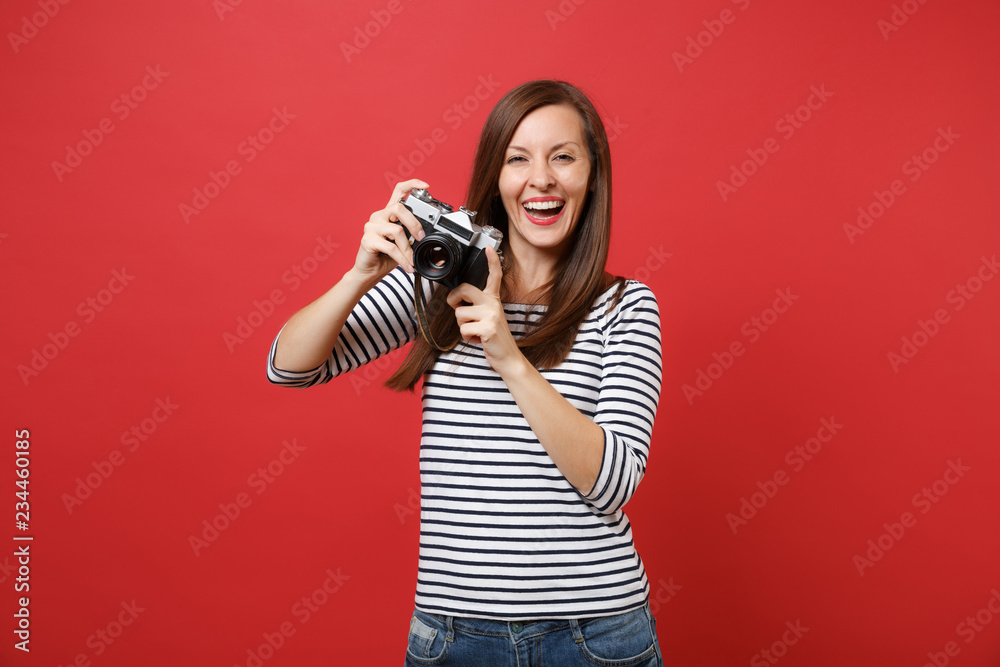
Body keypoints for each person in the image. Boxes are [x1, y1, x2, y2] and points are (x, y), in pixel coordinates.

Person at [267, 80, 663, 666]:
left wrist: (505, 351)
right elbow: (289, 367)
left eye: (563, 157)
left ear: (592, 174)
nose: (541, 180)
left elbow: (612, 484)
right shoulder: (439, 282)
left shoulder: (625, 306)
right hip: (454, 636)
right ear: (495, 177)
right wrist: (359, 276)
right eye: (518, 158)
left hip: (594, 633)